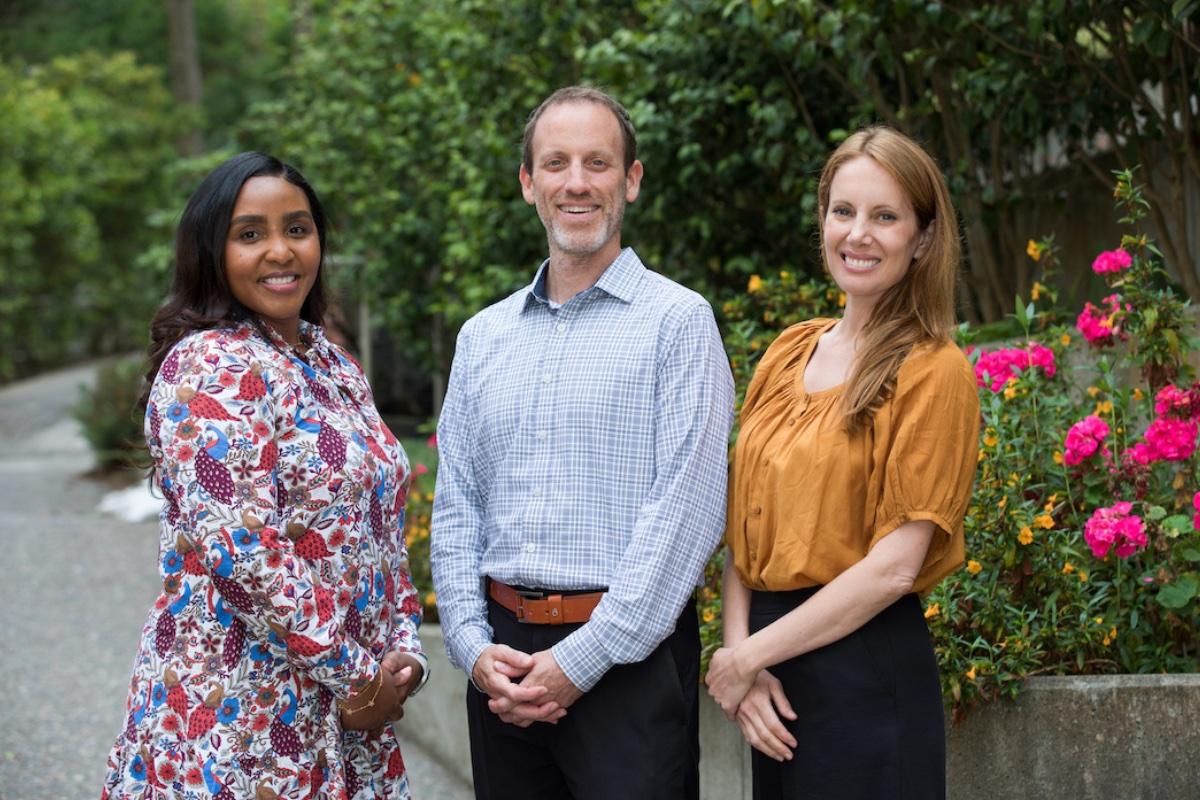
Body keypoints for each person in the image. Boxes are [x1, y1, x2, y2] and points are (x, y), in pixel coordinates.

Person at [430, 86, 734, 799]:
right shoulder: (483, 337)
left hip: (629, 661)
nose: (576, 182)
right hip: (502, 665)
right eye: (556, 162)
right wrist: (473, 649)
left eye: (597, 162)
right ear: (528, 184)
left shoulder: (678, 324)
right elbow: (456, 506)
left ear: (630, 179)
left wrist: (581, 661)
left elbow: (686, 515)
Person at [102, 152, 428, 799]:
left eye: (297, 229)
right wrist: (357, 676)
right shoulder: (210, 366)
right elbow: (243, 550)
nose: (280, 251)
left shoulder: (329, 361)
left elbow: (382, 523)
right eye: (251, 234)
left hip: (346, 713)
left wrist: (404, 651)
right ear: (211, 252)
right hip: (238, 716)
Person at [705, 126, 980, 800]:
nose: (858, 234)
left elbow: (893, 569)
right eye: (843, 211)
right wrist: (742, 663)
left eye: (885, 216)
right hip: (770, 681)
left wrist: (744, 659)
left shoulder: (933, 371)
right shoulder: (788, 351)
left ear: (921, 239)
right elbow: (743, 527)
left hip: (865, 675)